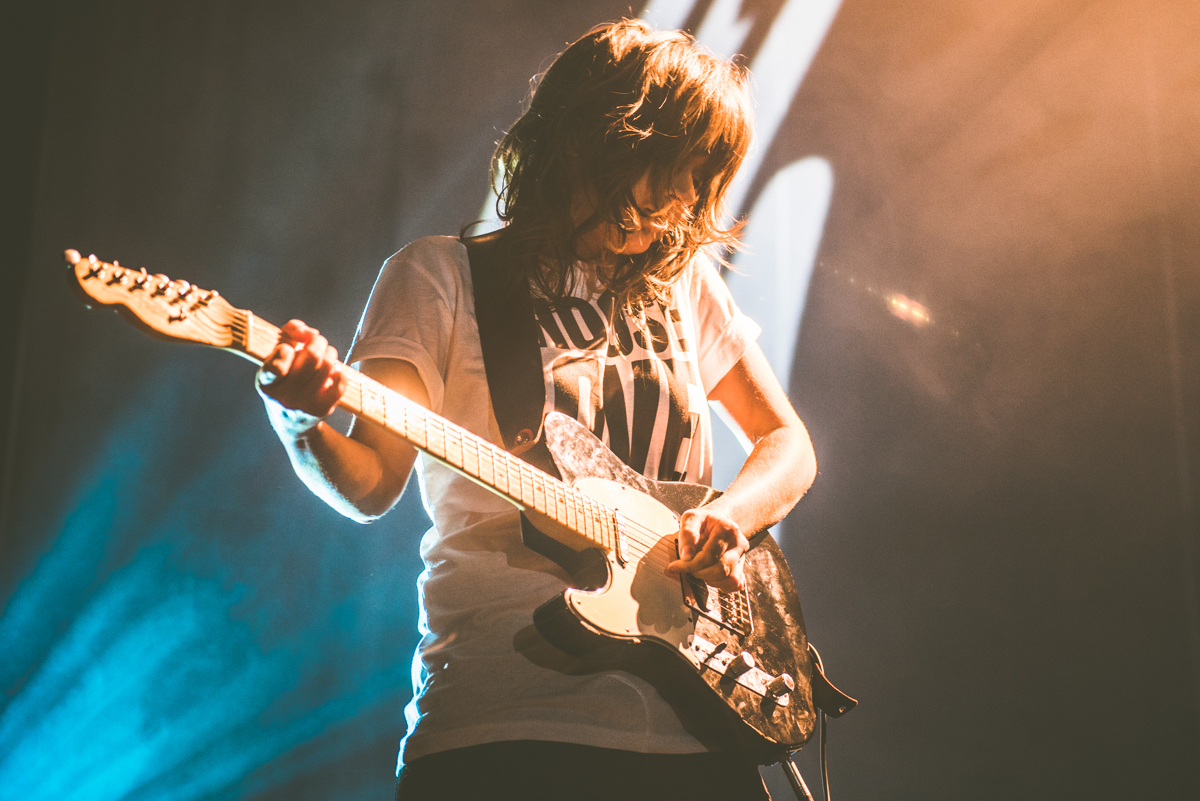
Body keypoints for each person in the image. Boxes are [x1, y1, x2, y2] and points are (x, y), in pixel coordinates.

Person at [257, 19, 816, 801]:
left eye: (702, 175)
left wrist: (736, 515)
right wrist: (299, 419)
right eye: (677, 166)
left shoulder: (685, 289)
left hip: (697, 724)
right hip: (504, 723)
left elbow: (787, 442)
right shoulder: (439, 278)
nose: (689, 197)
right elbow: (370, 484)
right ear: (601, 140)